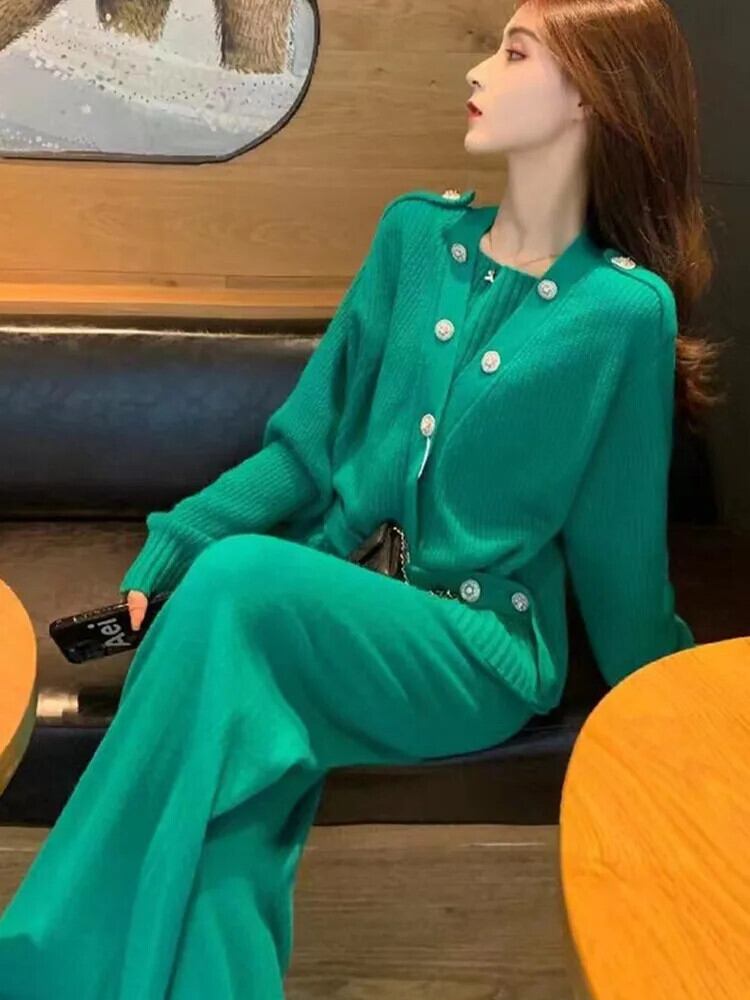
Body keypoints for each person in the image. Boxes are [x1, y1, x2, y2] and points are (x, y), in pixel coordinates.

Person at [0, 0, 721, 996]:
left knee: (240, 589)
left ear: (591, 102)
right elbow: (304, 450)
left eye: (514, 54)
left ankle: (35, 964)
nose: (478, 71)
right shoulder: (415, 236)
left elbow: (618, 556)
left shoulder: (623, 314)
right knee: (233, 799)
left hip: (476, 650)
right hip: (333, 606)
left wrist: (690, 714)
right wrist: (170, 552)